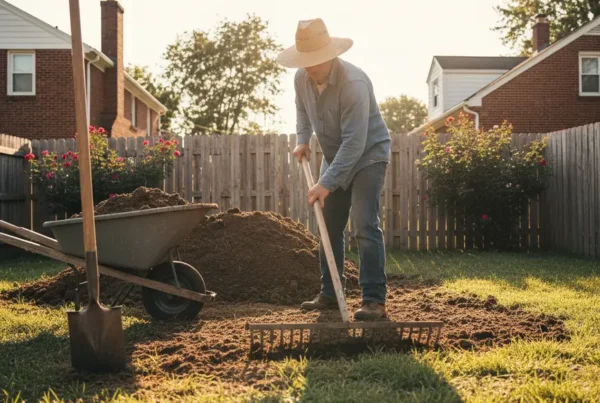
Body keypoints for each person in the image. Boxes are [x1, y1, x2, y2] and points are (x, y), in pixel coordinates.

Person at [276, 18, 391, 320]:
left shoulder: (354, 83)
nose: (310, 67)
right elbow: (302, 111)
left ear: (330, 55)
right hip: (334, 154)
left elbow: (355, 143)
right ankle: (329, 294)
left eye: (315, 61)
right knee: (328, 225)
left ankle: (374, 300)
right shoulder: (301, 79)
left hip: (368, 155)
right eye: (306, 61)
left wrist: (326, 182)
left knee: (365, 223)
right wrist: (303, 140)